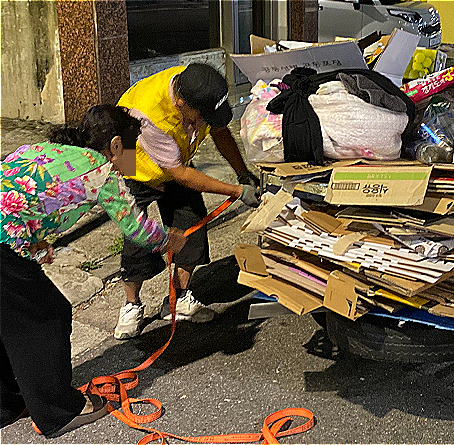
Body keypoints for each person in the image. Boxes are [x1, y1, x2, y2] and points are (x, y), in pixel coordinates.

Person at [0, 105, 200, 437]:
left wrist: (33, 241)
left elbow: (18, 194)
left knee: (9, 318)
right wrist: (169, 240)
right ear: (118, 145)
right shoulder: (102, 171)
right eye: (135, 151)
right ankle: (59, 411)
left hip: (6, 236)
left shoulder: (43, 148)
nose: (135, 161)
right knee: (49, 315)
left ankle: (7, 403)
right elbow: (136, 230)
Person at [114, 63, 260, 340]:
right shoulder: (149, 115)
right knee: (137, 237)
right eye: (203, 116)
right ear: (181, 104)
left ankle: (178, 300)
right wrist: (236, 191)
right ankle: (132, 305)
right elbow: (181, 174)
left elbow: (219, 132)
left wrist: (242, 173)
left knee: (191, 225)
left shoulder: (199, 85)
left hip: (175, 163)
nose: (207, 120)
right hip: (134, 164)